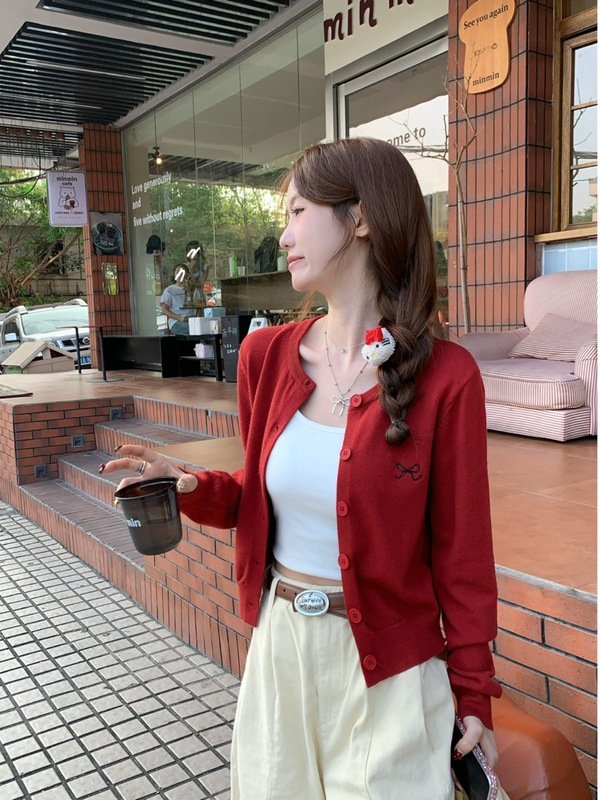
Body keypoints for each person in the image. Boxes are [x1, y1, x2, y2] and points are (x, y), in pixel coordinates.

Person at [103, 137, 504, 800]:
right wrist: (191, 485)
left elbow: (463, 553)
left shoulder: (447, 377)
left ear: (361, 217)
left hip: (392, 677)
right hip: (282, 653)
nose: (283, 235)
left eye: (297, 212)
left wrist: (474, 690)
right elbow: (261, 496)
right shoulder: (264, 356)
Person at [160, 266, 193, 334]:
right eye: (178, 272)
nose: (180, 275)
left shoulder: (193, 289)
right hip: (176, 321)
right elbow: (164, 310)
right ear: (174, 274)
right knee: (193, 328)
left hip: (192, 319)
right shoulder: (169, 290)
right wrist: (180, 318)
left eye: (182, 272)